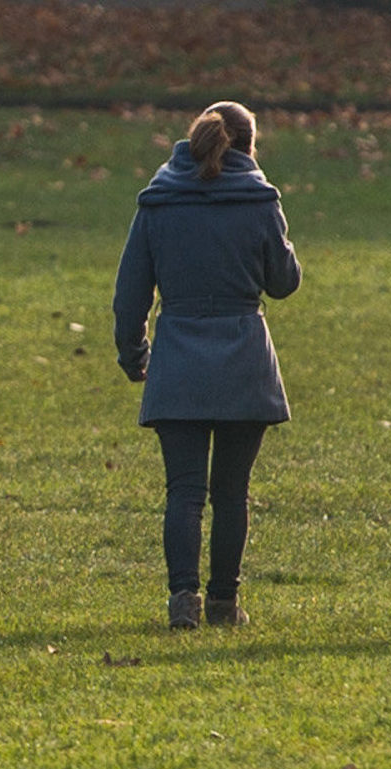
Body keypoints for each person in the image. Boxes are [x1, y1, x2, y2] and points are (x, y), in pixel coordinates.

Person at [111, 98, 301, 631]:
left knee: (185, 491)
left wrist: (134, 355)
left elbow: (130, 296)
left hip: (178, 359)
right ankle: (223, 602)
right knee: (232, 492)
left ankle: (182, 601)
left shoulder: (157, 202)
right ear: (249, 145)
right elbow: (283, 284)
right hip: (244, 358)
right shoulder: (261, 201)